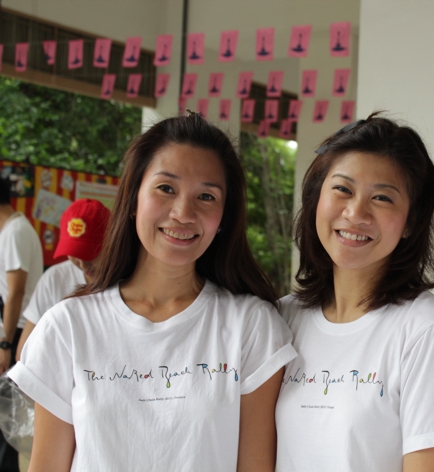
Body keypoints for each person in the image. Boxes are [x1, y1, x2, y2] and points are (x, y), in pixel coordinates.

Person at [9, 113, 297, 471]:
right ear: (133, 199)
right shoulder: (68, 326)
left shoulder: (251, 326)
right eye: (166, 189)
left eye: (206, 196)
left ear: (224, 218)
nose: (183, 213)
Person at [275, 113, 434, 472]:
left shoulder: (429, 332)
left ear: (411, 222)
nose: (356, 213)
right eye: (342, 189)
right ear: (316, 198)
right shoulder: (281, 320)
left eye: (382, 198)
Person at [16, 198, 110, 360]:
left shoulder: (129, 280)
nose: (83, 264)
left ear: (112, 242)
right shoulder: (54, 278)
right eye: (75, 254)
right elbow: (24, 352)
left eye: (90, 254)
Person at [0, 177, 42, 373]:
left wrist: (5, 344)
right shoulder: (9, 230)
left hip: (16, 329)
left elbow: (16, 291)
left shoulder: (16, 232)